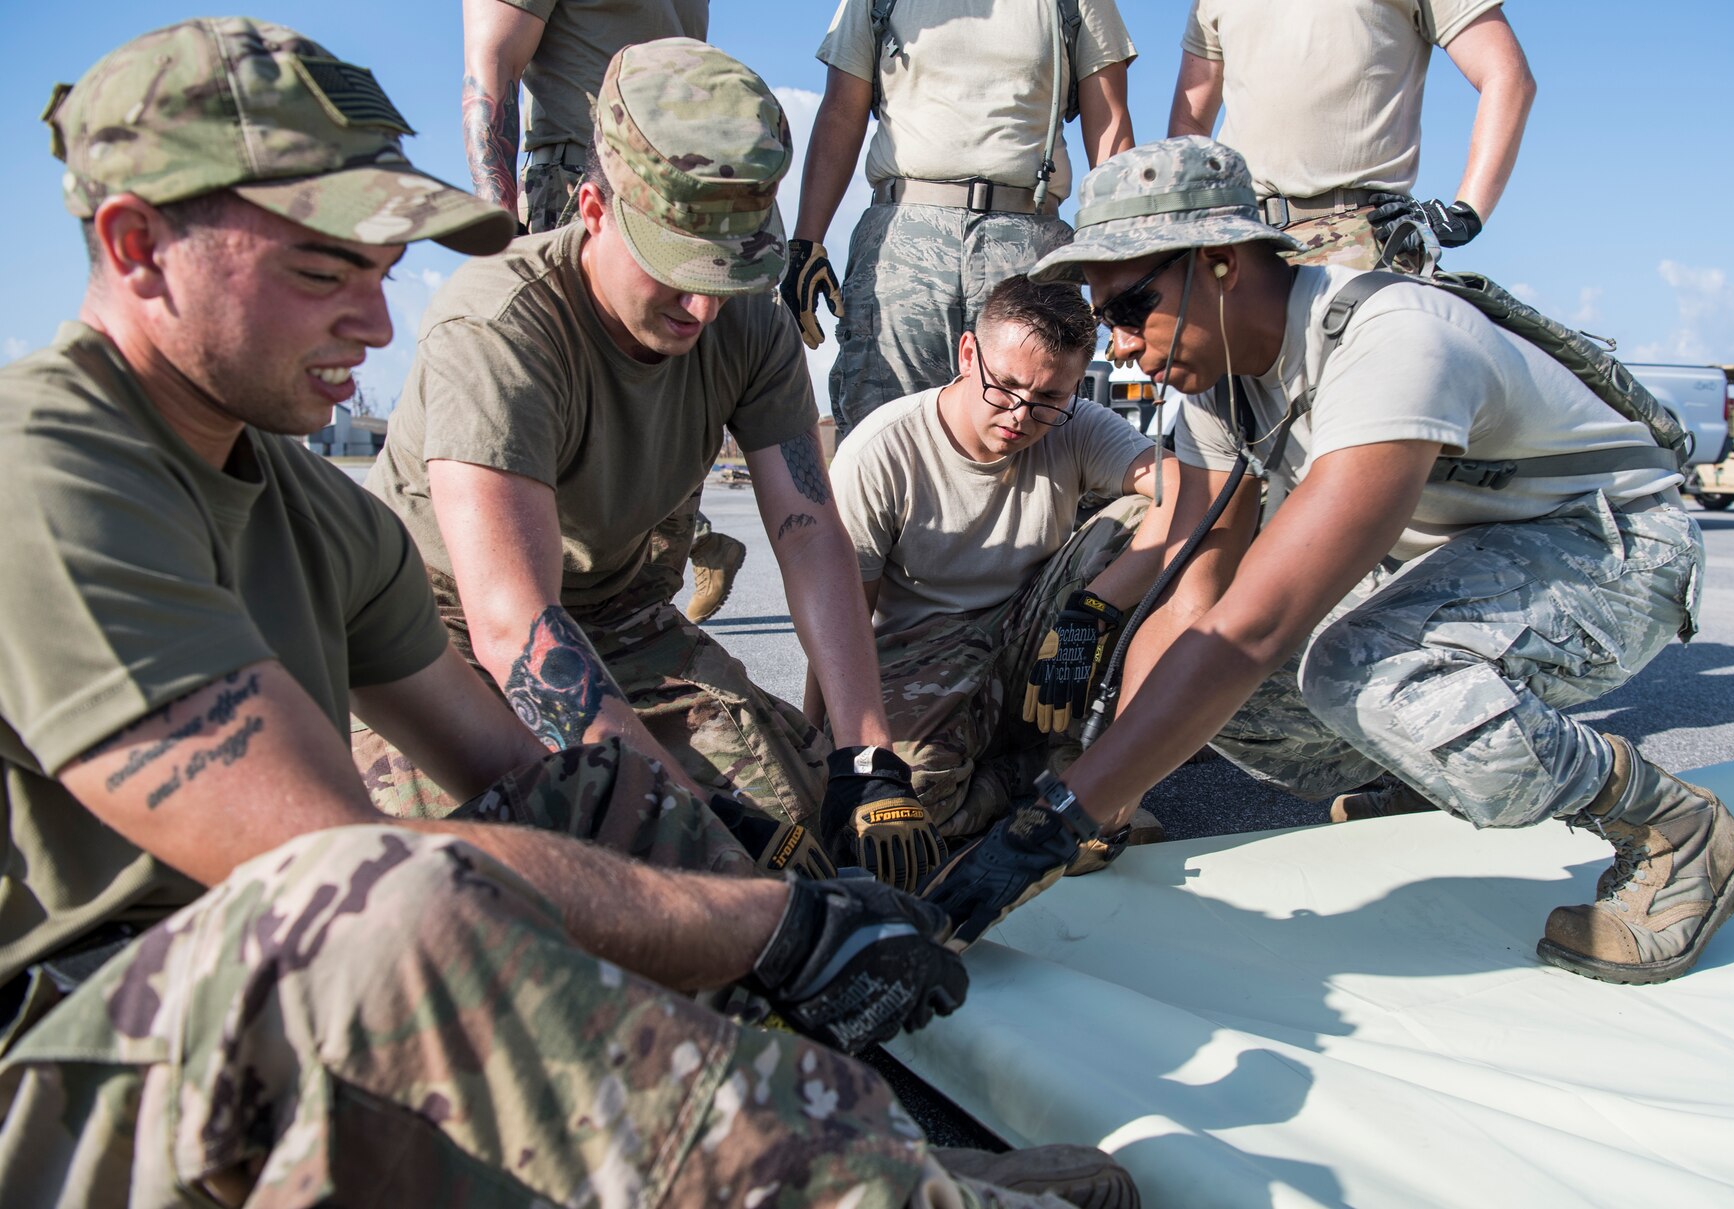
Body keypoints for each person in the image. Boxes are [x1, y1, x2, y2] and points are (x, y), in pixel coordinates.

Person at [0, 20, 1129, 1206]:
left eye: (384, 275)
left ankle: (829, 1151)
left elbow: (540, 775)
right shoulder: (47, 474)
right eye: (324, 272)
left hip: (225, 1022)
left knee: (635, 818)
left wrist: (756, 865)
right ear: (136, 248)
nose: (382, 327)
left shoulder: (291, 498)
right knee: (408, 922)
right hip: (68, 1066)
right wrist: (760, 931)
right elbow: (340, 868)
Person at [925, 138, 1734, 989]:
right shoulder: (1219, 384)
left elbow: (1253, 625)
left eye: (1132, 308)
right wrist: (1106, 795)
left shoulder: (1393, 341)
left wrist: (1052, 823)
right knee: (1219, 686)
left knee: (1360, 666)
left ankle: (1672, 828)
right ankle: (1418, 771)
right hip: (1464, 562)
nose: (1121, 347)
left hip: (1616, 548)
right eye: (1106, 322)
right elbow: (1192, 605)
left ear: (1219, 262)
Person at [370, 38, 950, 895]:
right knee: (518, 890)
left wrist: (867, 755)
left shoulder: (747, 323)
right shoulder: (501, 329)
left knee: (801, 837)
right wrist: (700, 827)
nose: (703, 305)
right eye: (678, 268)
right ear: (595, 209)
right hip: (437, 639)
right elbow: (515, 628)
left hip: (622, 613)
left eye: (730, 270)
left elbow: (807, 528)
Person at [823, 275, 1177, 866]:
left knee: (1149, 514)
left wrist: (1093, 611)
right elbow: (841, 624)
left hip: (1035, 638)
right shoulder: (881, 450)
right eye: (1005, 386)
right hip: (924, 655)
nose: (1020, 415)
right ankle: (1037, 779)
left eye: (1048, 400)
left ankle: (1089, 773)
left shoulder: (1081, 425)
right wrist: (833, 763)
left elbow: (1190, 492)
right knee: (906, 807)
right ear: (968, 354)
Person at [460, 0, 745, 623]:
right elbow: (494, 61)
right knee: (553, 435)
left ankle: (650, 600)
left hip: (679, 189)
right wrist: (500, 237)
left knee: (662, 414)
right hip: (580, 178)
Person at [781, 0, 1138, 435]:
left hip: (1028, 244)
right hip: (902, 242)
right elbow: (841, 111)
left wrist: (1122, 258)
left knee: (1033, 436)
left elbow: (1110, 121)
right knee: (885, 435)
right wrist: (806, 241)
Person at [1168, 0, 1535, 270]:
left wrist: (1465, 213)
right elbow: (1190, 127)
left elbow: (1508, 76)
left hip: (1365, 241)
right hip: (1242, 246)